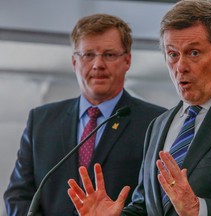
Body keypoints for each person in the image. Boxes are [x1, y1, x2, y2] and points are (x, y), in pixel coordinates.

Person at [67, 0, 211, 215]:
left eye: (193, 53)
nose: (181, 67)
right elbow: (146, 207)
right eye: (173, 54)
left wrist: (200, 210)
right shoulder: (159, 124)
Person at [3, 14, 166, 215]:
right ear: (74, 62)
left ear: (127, 60)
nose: (98, 64)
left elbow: (158, 202)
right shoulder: (41, 120)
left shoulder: (156, 123)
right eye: (88, 55)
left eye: (109, 54)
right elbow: (18, 195)